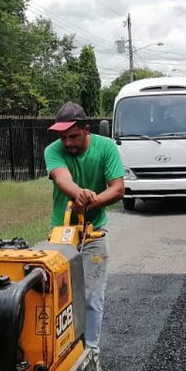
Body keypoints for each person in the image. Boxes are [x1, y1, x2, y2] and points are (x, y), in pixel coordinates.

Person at [44, 102, 125, 352]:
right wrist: (80, 194)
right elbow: (61, 178)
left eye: (74, 136)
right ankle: (63, 348)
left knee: (91, 294)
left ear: (86, 130)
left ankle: (90, 350)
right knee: (58, 295)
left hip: (94, 234)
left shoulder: (106, 147)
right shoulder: (53, 150)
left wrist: (90, 202)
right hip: (62, 234)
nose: (68, 143)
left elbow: (118, 188)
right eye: (63, 137)